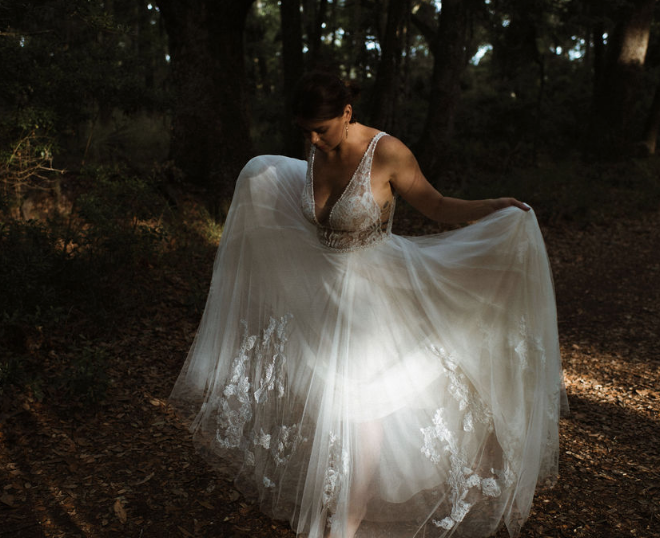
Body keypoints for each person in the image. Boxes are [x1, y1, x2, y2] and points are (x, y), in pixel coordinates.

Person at [169, 70, 567, 538]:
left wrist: (493, 205)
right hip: (323, 291)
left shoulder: (388, 153)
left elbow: (436, 206)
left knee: (364, 407)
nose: (314, 140)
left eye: (322, 128)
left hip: (373, 297)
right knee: (329, 402)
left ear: (348, 113)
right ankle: (331, 497)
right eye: (306, 131)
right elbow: (285, 192)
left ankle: (349, 516)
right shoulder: (314, 151)